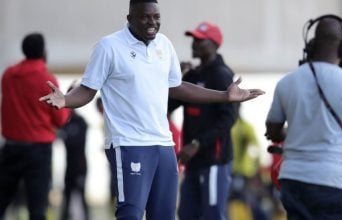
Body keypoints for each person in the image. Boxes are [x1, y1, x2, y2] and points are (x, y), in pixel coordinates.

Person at [39, 1, 264, 219]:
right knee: (131, 214)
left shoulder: (164, 45)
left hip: (164, 145)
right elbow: (88, 90)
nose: (152, 22)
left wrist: (224, 96)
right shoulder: (109, 46)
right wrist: (66, 100)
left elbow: (177, 88)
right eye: (145, 16)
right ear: (130, 18)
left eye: (156, 17)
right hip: (129, 144)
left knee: (165, 215)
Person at [265, 15, 342, 220]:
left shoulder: (286, 83)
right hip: (332, 181)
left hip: (292, 180)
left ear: (311, 45)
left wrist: (298, 133)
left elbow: (272, 130)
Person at [168, 21, 237, 220]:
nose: (194, 44)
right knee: (187, 214)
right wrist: (177, 78)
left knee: (213, 215)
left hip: (214, 161)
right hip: (193, 161)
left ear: (214, 44)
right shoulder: (193, 74)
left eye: (200, 40)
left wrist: (198, 144)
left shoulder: (222, 75)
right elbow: (166, 107)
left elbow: (229, 119)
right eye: (193, 39)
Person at [0, 33, 70, 220]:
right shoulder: (47, 80)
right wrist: (68, 104)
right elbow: (60, 120)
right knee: (37, 208)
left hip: (11, 147)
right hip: (38, 151)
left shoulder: (8, 75)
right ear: (43, 51)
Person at [59, 82, 89, 220]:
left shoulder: (81, 122)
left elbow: (76, 142)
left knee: (80, 196)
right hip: (69, 166)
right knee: (67, 195)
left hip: (80, 166)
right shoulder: (65, 122)